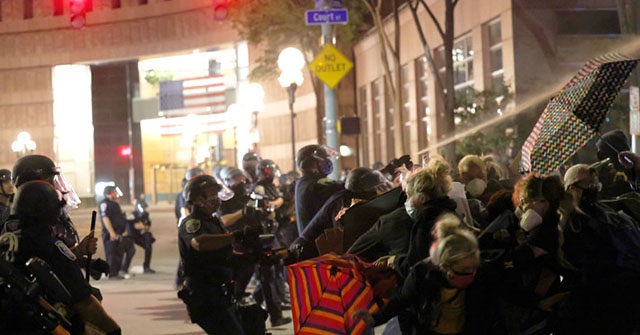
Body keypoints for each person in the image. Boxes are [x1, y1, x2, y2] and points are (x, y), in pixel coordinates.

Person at [353, 215, 497, 334]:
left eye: (474, 267)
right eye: (465, 270)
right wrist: (374, 318)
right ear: (446, 267)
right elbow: (402, 299)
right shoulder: (422, 273)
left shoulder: (482, 273)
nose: (472, 273)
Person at [9, 180, 120, 334]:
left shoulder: (10, 239)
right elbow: (84, 301)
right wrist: (113, 330)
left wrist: (78, 252)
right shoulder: (48, 244)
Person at [177, 174, 262, 334]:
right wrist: (235, 236)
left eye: (217, 194)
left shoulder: (213, 222)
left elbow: (223, 254)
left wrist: (252, 257)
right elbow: (199, 243)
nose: (216, 198)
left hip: (222, 295)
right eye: (212, 195)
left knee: (254, 323)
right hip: (206, 297)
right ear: (197, 199)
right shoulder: (191, 223)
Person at [294, 145, 343, 234]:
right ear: (311, 163)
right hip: (319, 243)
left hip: (315, 241)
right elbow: (341, 188)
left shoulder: (304, 182)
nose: (327, 163)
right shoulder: (315, 185)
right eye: (323, 160)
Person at [99, 185, 132, 280]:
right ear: (109, 193)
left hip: (118, 233)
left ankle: (116, 272)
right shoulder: (104, 204)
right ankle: (112, 273)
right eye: (114, 192)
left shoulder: (114, 203)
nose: (116, 193)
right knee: (111, 253)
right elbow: (105, 218)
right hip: (111, 234)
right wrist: (111, 232)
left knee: (118, 252)